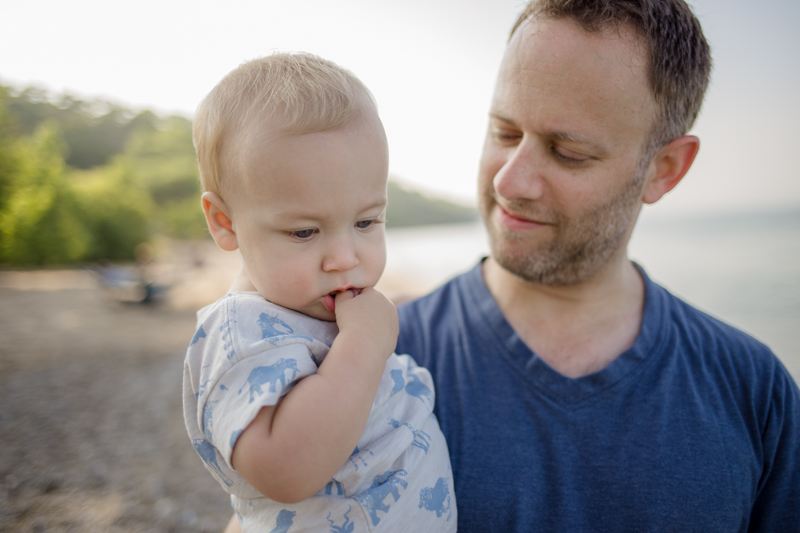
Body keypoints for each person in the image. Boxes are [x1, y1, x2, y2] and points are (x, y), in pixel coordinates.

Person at [223, 1, 800, 531]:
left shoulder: (755, 390)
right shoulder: (359, 359)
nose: (509, 180)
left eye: (567, 152)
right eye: (504, 131)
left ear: (665, 169)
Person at [185, 53, 455, 533]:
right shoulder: (240, 334)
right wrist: (367, 344)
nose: (345, 258)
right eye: (306, 233)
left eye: (366, 222)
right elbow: (286, 469)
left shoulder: (312, 309)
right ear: (225, 224)